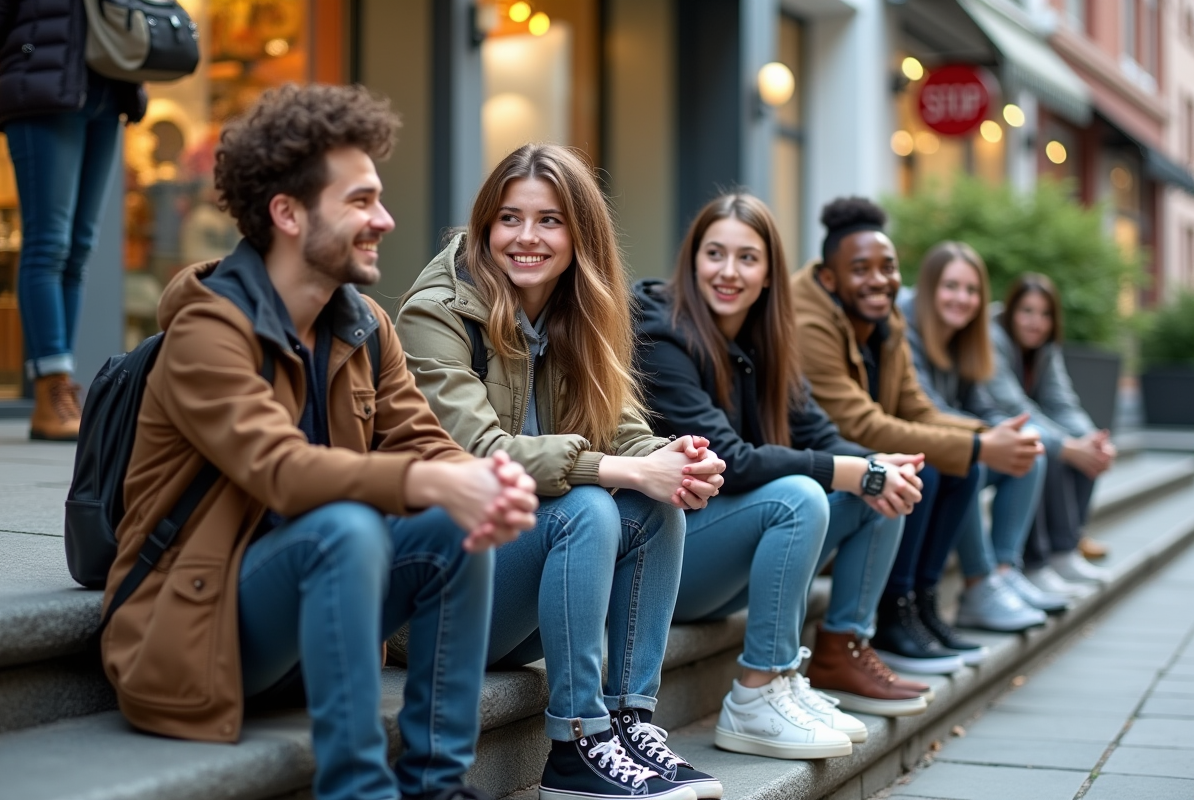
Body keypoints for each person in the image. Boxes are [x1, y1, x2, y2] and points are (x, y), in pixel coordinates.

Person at [100, 85, 539, 800]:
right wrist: (434, 484)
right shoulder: (207, 330)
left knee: (450, 528)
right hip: (191, 631)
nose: (385, 220)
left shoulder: (362, 325)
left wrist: (483, 486)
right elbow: (281, 471)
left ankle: (440, 785)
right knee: (345, 526)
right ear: (288, 214)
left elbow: (428, 446)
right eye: (361, 201)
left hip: (318, 616)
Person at [395, 143, 727, 800]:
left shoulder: (576, 311)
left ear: (581, 233)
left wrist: (675, 462)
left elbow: (622, 427)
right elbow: (477, 451)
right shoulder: (436, 312)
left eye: (549, 220)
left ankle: (628, 726)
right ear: (486, 224)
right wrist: (623, 470)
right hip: (436, 599)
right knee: (590, 507)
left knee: (652, 507)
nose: (526, 237)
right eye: (509, 218)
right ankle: (577, 744)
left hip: (518, 588)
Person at [633, 193, 930, 763]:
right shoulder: (660, 332)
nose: (728, 271)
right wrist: (852, 470)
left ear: (769, 273)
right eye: (714, 253)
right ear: (692, 260)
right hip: (667, 558)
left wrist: (877, 465)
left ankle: (837, 652)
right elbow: (730, 458)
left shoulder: (767, 340)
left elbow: (818, 433)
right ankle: (756, 694)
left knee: (878, 491)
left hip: (725, 556)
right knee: (800, 496)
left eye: (747, 258)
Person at [790, 197, 1044, 675]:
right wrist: (978, 444)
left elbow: (916, 407)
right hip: (817, 469)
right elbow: (858, 423)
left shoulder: (886, 317)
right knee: (916, 464)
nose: (879, 280)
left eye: (888, 267)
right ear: (829, 277)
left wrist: (981, 437)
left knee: (957, 466)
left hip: (857, 460)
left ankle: (918, 606)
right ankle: (891, 617)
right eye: (861, 268)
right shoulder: (808, 322)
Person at [0, 0, 147, 440]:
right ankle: (50, 391)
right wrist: (29, 50)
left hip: (108, 87)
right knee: (49, 244)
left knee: (79, 249)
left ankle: (63, 386)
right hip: (43, 88)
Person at [900, 242, 1063, 627]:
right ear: (928, 287)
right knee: (967, 459)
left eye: (972, 290)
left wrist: (1005, 433)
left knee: (1028, 450)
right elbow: (928, 409)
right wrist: (986, 439)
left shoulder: (965, 338)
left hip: (953, 442)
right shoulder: (905, 330)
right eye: (951, 286)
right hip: (916, 451)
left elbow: (982, 404)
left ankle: (1005, 572)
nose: (963, 298)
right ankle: (979, 583)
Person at [986, 272, 1114, 594]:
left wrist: (1092, 440)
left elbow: (1062, 401)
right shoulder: (991, 338)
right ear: (1011, 311)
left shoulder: (1045, 348)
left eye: (1045, 314)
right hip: (991, 425)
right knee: (1045, 446)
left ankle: (1066, 550)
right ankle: (1038, 561)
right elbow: (1010, 404)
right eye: (1027, 311)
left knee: (1082, 447)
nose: (1036, 322)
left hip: (1025, 422)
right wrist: (1068, 445)